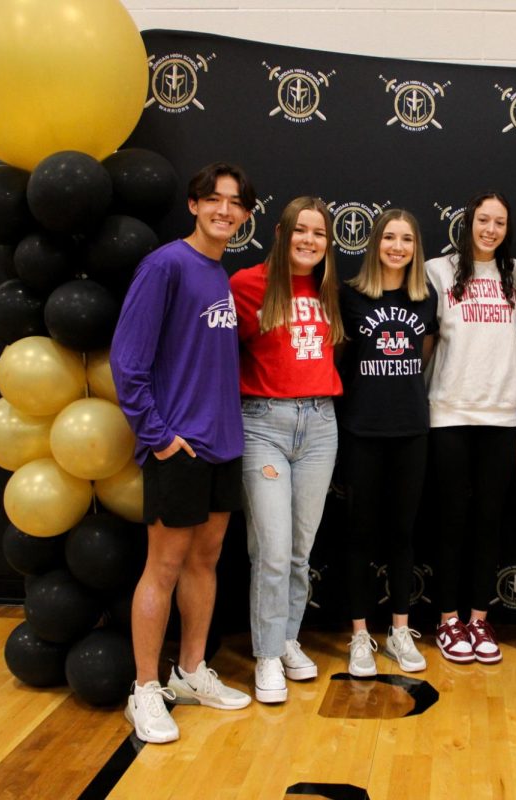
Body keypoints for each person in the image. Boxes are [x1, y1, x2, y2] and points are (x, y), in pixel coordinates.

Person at [111, 162, 256, 744]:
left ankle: (191, 672)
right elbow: (128, 362)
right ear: (194, 205)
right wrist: (160, 437)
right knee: (164, 567)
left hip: (223, 444)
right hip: (180, 448)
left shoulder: (220, 274)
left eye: (236, 203)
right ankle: (145, 690)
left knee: (205, 561)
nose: (225, 210)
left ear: (246, 214)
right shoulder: (165, 265)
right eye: (214, 200)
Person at [230, 196, 344, 703]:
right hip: (263, 425)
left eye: (319, 234)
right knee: (272, 551)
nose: (309, 241)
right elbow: (215, 354)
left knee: (299, 551)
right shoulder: (247, 285)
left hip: (321, 424)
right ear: (280, 233)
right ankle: (267, 656)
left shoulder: (328, 290)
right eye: (301, 230)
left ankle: (288, 638)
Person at [424, 191, 516, 665]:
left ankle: (479, 619)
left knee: (489, 521)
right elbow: (422, 341)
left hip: (502, 415)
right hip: (449, 412)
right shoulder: (437, 270)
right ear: (468, 223)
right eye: (483, 220)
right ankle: (447, 621)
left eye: (499, 222)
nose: (490, 229)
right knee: (450, 521)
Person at [338, 209, 438, 677]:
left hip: (411, 430)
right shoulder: (351, 296)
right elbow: (342, 361)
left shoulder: (425, 298)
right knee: (359, 534)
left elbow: (425, 355)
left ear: (416, 249)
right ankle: (360, 635)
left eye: (407, 240)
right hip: (363, 429)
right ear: (375, 242)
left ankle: (399, 630)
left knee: (403, 533)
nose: (398, 247)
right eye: (390, 238)